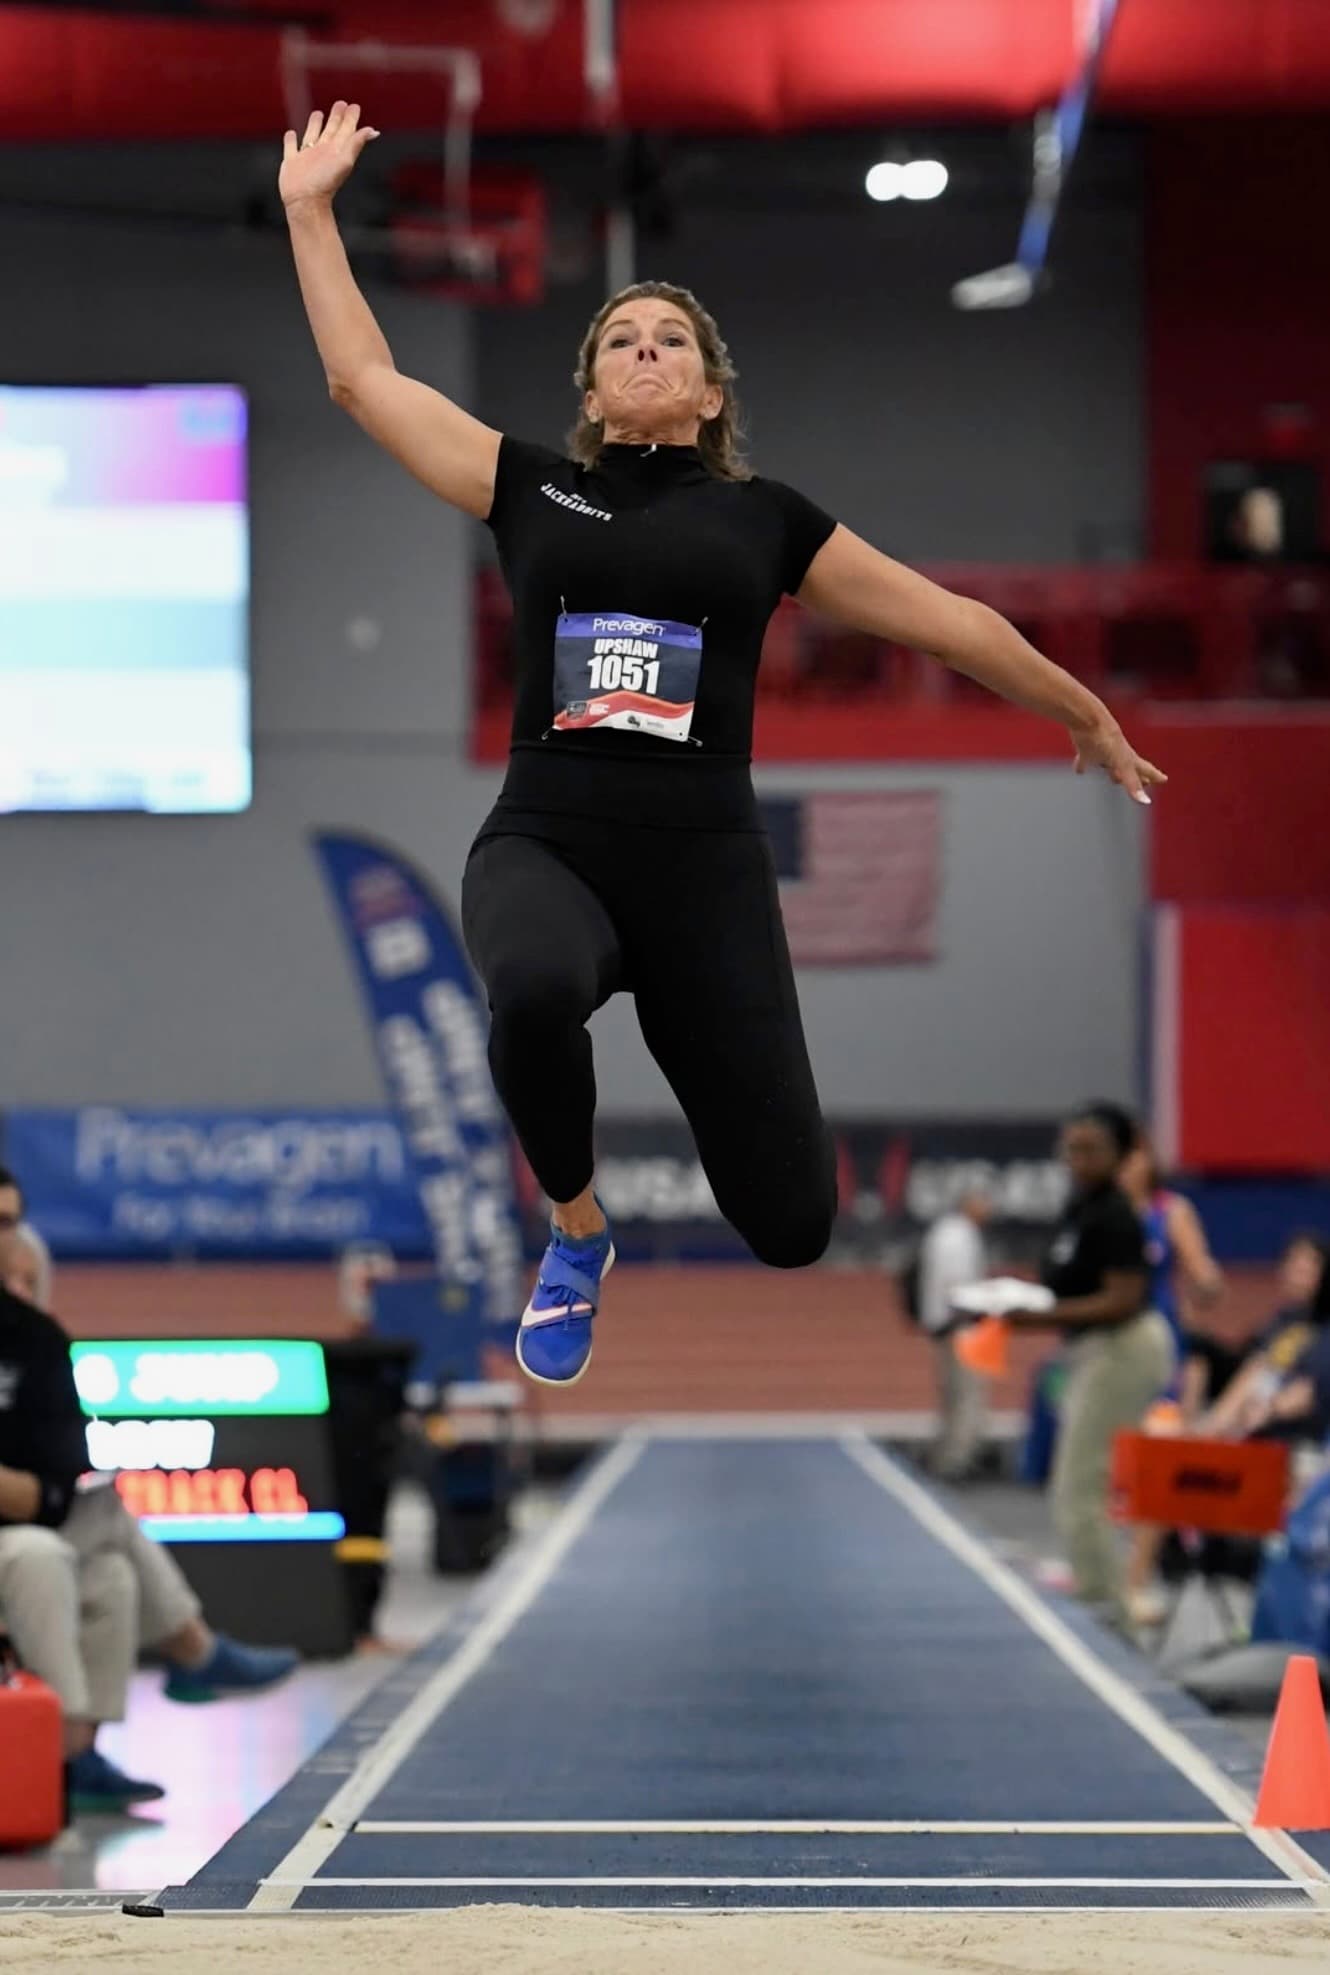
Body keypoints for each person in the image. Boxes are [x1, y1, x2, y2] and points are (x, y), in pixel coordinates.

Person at [279, 101, 1165, 1389]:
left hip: (705, 878)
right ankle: (576, 1229)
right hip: (550, 844)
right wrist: (310, 212)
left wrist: (1078, 708)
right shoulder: (532, 488)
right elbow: (365, 381)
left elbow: (949, 620)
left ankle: (659, 1181)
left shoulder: (766, 521)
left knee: (792, 1223)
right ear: (593, 392)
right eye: (620, 340)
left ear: (706, 393)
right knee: (531, 989)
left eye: (671, 340)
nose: (645, 350)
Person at [0, 1178, 300, 1812]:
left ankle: (73, 1756)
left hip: (27, 1529)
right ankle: (190, 1650)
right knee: (61, 1543)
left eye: (10, 1223)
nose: (6, 1241)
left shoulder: (36, 1341)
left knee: (108, 1570)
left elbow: (56, 1481)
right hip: (25, 1542)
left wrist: (28, 1492)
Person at [1000, 1106, 1173, 1624]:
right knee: (1074, 1484)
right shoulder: (1079, 1206)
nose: (1077, 1159)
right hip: (1092, 1349)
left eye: (1091, 1149)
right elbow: (1066, 1281)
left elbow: (1122, 1299)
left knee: (1080, 1487)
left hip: (1124, 1347)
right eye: (1070, 1148)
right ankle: (1101, 1595)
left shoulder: (1116, 1214)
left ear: (1120, 1155)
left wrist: (1035, 1317)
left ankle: (1110, 1614)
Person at [1116, 1132, 1224, 1624]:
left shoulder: (1171, 1211)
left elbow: (1204, 1278)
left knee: (1155, 1470)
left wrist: (1206, 1284)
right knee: (1108, 1469)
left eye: (1133, 1155)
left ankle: (1134, 1582)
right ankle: (1108, 1573)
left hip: (1160, 1357)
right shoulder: (1102, 1211)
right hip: (1108, 1354)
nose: (1125, 1165)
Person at [1200, 1235, 1330, 1443]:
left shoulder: (1324, 1332)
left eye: (1304, 1271)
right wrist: (1216, 1424)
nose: (1294, 1276)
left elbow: (1308, 1392)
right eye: (1291, 1266)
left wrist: (1269, 1410)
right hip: (1256, 1420)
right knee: (1199, 1352)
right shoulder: (1283, 1320)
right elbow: (1255, 1368)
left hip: (1298, 1438)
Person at [917, 1187, 994, 1481]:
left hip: (945, 1324)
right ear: (970, 1203)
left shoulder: (945, 1231)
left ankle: (945, 1452)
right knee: (967, 1393)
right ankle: (958, 1458)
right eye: (984, 1202)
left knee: (951, 1393)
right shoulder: (960, 1236)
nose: (989, 1209)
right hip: (961, 1325)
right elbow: (957, 1284)